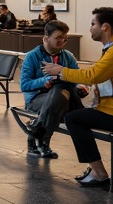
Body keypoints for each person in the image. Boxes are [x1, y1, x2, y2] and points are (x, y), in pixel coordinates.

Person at [42, 6, 113, 189]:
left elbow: (93, 75)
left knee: (74, 119)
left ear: (105, 27)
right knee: (75, 114)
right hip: (112, 109)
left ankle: (99, 173)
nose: (90, 28)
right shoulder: (112, 49)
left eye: (93, 23)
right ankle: (95, 169)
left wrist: (61, 71)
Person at [20, 19, 85, 159]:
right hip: (36, 99)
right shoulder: (32, 56)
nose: (62, 42)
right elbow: (25, 85)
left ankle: (38, 131)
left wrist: (79, 86)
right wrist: (46, 80)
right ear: (45, 38)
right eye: (58, 38)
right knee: (61, 91)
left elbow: (76, 78)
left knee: (61, 89)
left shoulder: (68, 56)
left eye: (65, 39)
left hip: (62, 98)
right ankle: (43, 141)